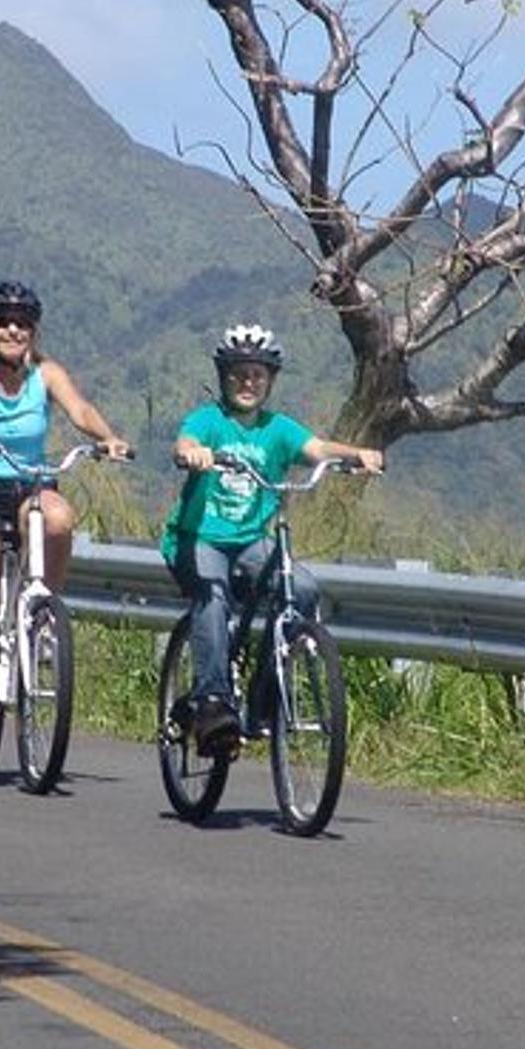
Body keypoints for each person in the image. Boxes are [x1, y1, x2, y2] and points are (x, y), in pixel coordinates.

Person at [162, 323, 385, 756]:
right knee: (213, 597)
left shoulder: (278, 428)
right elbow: (185, 441)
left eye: (258, 375)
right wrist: (192, 453)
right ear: (224, 377)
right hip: (200, 538)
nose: (248, 383)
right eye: (239, 374)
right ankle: (212, 702)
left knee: (302, 590)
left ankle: (264, 699)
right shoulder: (210, 420)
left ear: (270, 381)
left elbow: (318, 449)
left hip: (250, 541)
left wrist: (358, 454)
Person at [0, 280, 131, 750]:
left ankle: (43, 611)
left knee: (59, 516)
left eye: (22, 323)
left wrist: (108, 438)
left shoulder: (46, 374)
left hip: (31, 483)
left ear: (33, 331)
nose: (13, 330)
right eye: (3, 322)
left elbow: (80, 410)